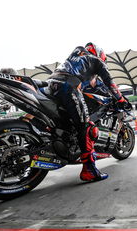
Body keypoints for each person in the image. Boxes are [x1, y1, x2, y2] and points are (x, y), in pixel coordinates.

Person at [47, 43, 127, 182]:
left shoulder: (75, 56)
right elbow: (110, 83)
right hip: (69, 86)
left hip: (52, 85)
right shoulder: (96, 62)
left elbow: (91, 83)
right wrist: (121, 99)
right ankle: (89, 170)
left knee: (71, 120)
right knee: (87, 127)